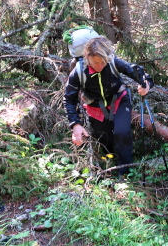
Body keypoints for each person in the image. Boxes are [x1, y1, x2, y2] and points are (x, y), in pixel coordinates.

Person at [64, 36, 154, 176]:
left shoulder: (113, 63)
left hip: (119, 100)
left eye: (103, 62)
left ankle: (125, 170)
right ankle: (111, 159)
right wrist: (75, 124)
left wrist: (146, 84)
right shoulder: (79, 72)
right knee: (104, 138)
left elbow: (136, 72)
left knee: (122, 133)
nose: (99, 66)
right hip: (95, 106)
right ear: (87, 57)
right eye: (95, 62)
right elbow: (69, 98)